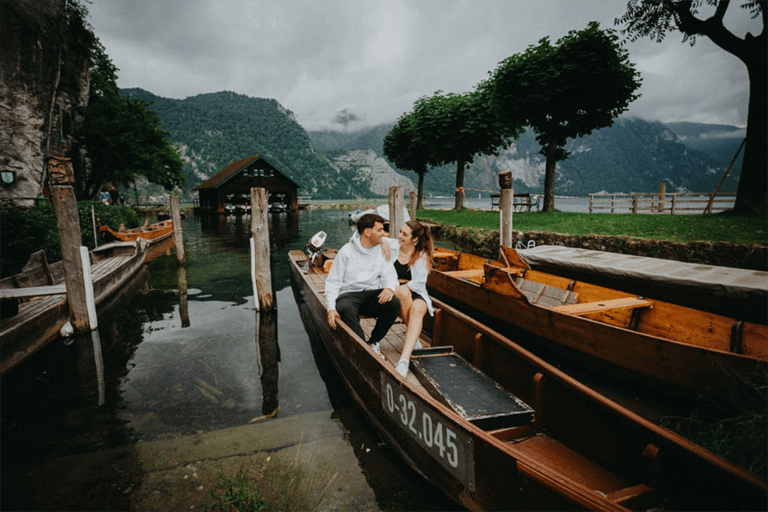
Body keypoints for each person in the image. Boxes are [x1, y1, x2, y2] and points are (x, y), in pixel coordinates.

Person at [325, 213, 401, 354]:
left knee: (394, 303)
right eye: (379, 230)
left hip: (371, 294)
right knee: (347, 308)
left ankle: (373, 342)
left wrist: (390, 288)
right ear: (367, 232)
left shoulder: (381, 250)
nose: (383, 234)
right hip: (348, 295)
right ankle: (362, 349)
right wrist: (330, 308)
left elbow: (390, 276)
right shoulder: (346, 251)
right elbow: (333, 282)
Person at [384, 220, 434, 377]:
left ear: (415, 239)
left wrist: (404, 285)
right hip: (397, 292)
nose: (399, 236)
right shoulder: (392, 246)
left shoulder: (421, 256)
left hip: (417, 292)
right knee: (402, 292)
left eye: (404, 234)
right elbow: (360, 236)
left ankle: (404, 360)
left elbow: (419, 284)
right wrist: (382, 242)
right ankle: (414, 340)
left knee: (418, 308)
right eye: (400, 232)